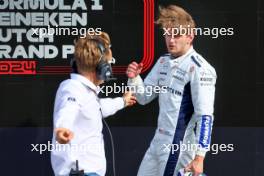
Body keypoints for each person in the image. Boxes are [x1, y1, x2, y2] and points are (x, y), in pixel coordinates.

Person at [126, 5, 217, 176]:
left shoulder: (200, 68)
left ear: (190, 37)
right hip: (157, 141)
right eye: (168, 34)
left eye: (177, 35)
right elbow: (144, 97)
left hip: (179, 145)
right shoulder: (163, 62)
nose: (171, 40)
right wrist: (134, 78)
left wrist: (199, 158)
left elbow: (206, 116)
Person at [51, 31, 136, 176]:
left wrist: (122, 101)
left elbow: (99, 108)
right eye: (109, 64)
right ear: (101, 68)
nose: (110, 68)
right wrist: (62, 128)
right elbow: (67, 110)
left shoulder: (86, 92)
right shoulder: (72, 88)